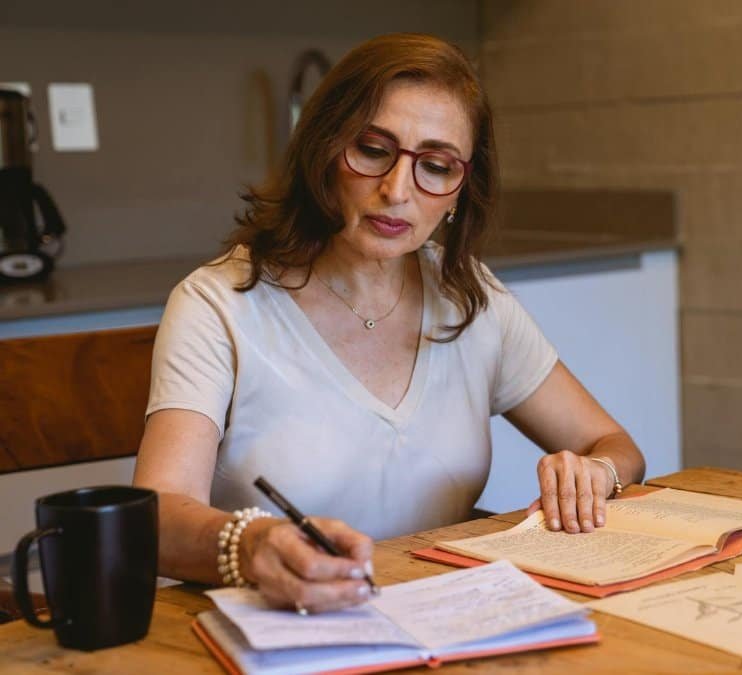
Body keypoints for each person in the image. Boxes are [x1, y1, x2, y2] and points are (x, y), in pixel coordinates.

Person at [132, 33, 645, 615]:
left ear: (458, 189)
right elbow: (157, 516)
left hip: (442, 620)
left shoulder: (471, 297)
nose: (397, 191)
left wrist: (595, 472)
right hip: (279, 630)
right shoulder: (217, 304)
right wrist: (250, 546)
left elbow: (615, 446)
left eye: (434, 165)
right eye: (373, 150)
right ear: (324, 149)